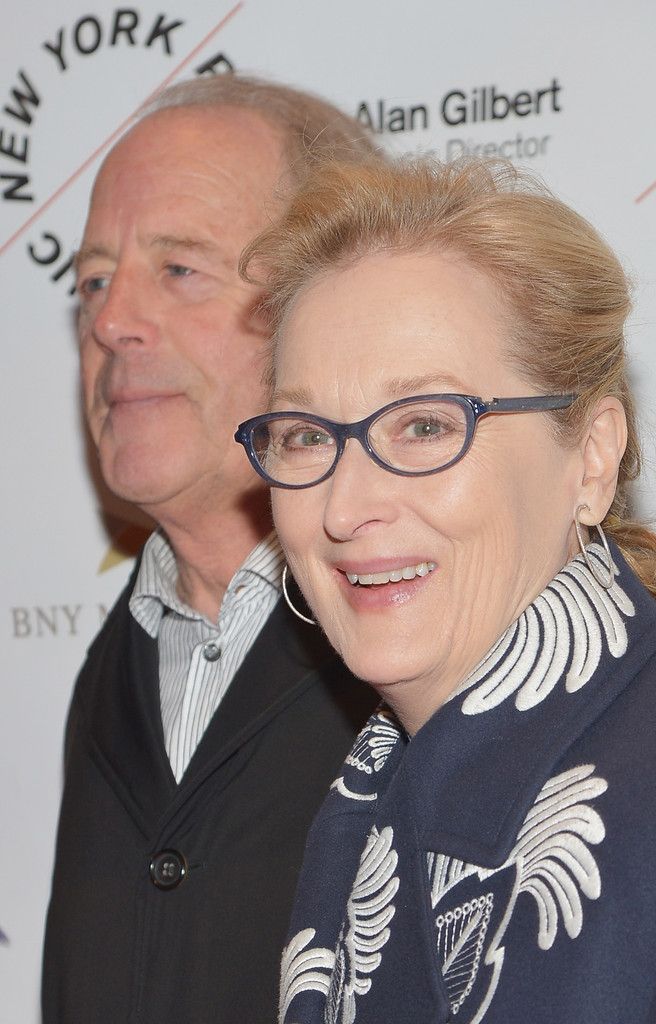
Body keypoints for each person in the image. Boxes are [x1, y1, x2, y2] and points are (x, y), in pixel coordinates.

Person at [234, 158, 656, 1024]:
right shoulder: (366, 805)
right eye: (305, 435)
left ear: (591, 457)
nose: (345, 508)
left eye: (424, 424)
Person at [42, 75, 379, 1024]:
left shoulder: (448, 636)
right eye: (93, 282)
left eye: (179, 269)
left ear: (325, 303)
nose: (110, 321)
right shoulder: (114, 668)